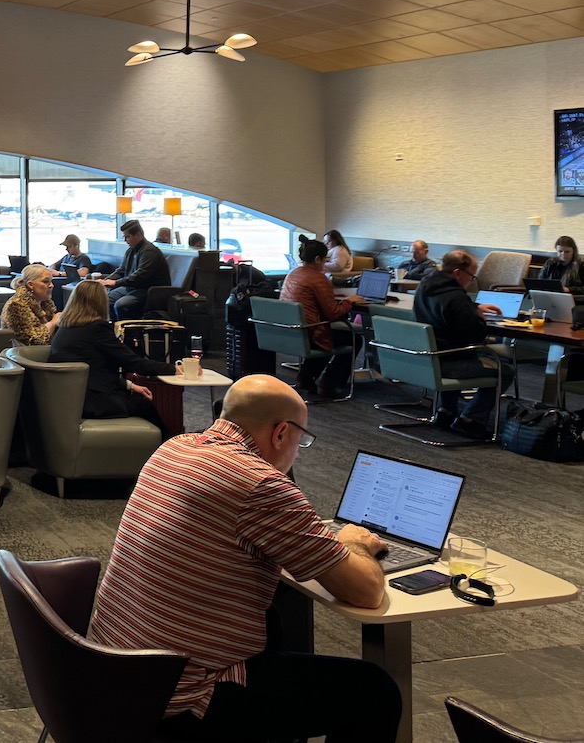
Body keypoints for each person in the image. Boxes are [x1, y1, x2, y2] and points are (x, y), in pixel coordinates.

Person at [88, 375, 400, 743]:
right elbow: (366, 590)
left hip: (114, 668)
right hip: (179, 695)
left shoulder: (175, 447)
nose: (298, 450)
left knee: (273, 621)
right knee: (373, 692)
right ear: (281, 433)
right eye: (302, 439)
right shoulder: (260, 484)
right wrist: (355, 543)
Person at [50, 280, 170, 437]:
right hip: (93, 403)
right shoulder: (97, 329)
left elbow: (93, 371)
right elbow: (134, 363)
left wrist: (129, 385)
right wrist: (173, 369)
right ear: (100, 302)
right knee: (146, 407)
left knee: (137, 401)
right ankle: (169, 451)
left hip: (70, 400)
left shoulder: (64, 328)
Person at [412, 250, 513, 438]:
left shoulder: (425, 286)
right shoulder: (457, 297)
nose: (471, 281)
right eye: (471, 276)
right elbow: (476, 335)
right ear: (458, 273)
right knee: (504, 370)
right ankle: (471, 419)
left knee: (456, 350)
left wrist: (473, 307)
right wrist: (479, 318)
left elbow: (445, 309)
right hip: (449, 363)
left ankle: (446, 411)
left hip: (427, 359)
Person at [279, 235, 365, 399]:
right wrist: (349, 302)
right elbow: (333, 314)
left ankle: (306, 376)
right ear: (317, 259)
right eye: (325, 260)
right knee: (353, 338)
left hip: (292, 332)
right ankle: (329, 383)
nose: (325, 264)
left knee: (333, 335)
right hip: (309, 334)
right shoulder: (318, 278)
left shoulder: (293, 274)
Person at [100, 219, 170, 321]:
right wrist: (106, 281)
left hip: (148, 291)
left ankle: (127, 333)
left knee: (121, 305)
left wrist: (115, 283)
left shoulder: (150, 252)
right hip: (132, 288)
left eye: (127, 237)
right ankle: (113, 330)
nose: (125, 240)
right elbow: (121, 270)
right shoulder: (131, 251)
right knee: (104, 300)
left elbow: (140, 276)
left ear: (138, 234)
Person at [1, 263, 58, 346]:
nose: (51, 285)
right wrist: (53, 323)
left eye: (51, 281)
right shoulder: (16, 305)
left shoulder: (44, 303)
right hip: (24, 356)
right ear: (30, 285)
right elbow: (34, 341)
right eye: (46, 281)